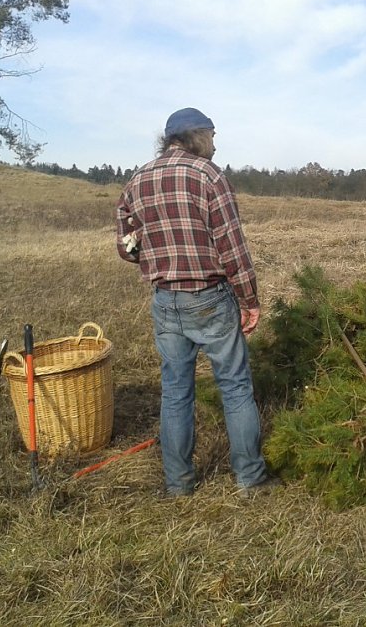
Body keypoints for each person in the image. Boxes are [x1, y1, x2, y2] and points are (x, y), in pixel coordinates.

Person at [116, 107, 278, 497]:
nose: (216, 143)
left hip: (165, 300)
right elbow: (232, 246)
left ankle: (178, 484)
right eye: (213, 134)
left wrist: (154, 254)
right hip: (210, 297)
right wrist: (249, 300)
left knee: (175, 392)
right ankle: (250, 479)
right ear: (196, 136)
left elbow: (125, 247)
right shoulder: (209, 176)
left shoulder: (137, 180)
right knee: (236, 387)